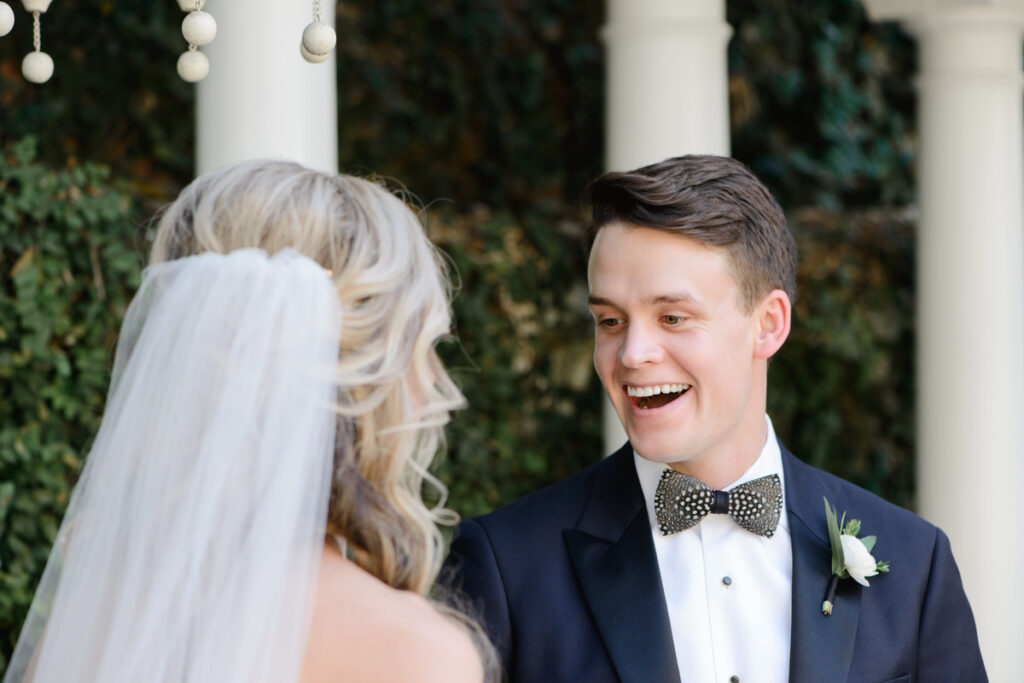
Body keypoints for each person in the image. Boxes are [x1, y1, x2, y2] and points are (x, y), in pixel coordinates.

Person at [443, 155, 986, 682]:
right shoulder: (505, 565)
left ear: (768, 324)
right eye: (609, 320)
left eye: (672, 317)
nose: (632, 353)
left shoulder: (915, 564)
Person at [4, 160, 493, 683]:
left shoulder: (99, 613)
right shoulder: (412, 654)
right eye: (424, 347)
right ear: (371, 381)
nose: (439, 386)